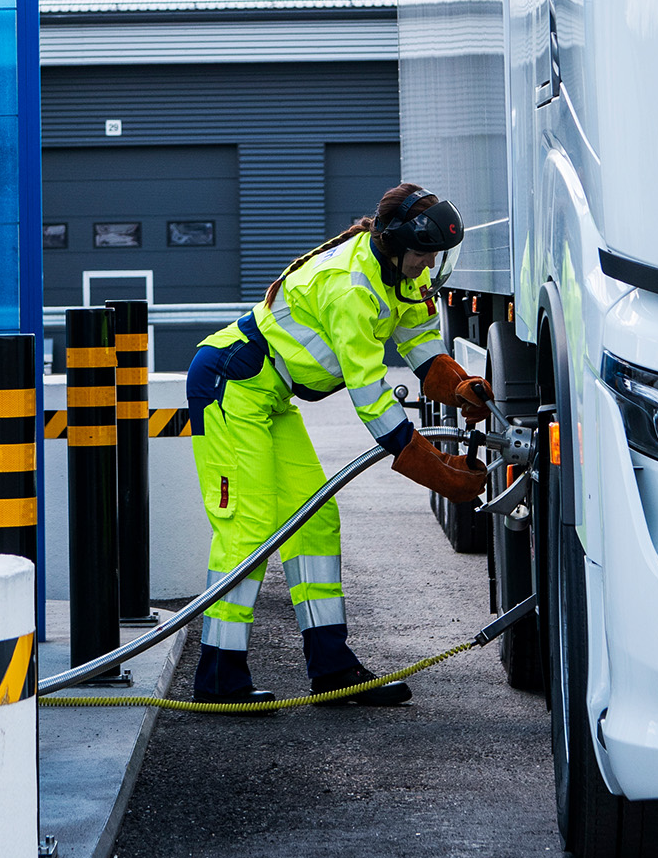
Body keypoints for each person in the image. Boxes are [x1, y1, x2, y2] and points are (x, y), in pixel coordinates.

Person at [185, 184, 493, 708]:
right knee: (249, 528)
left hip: (268, 394)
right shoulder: (350, 289)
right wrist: (437, 470)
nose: (428, 266)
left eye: (435, 257)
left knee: (315, 519)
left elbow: (421, 345)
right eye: (423, 255)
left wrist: (459, 384)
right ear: (397, 245)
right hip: (230, 384)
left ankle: (332, 671)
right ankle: (218, 677)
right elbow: (371, 394)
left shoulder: (401, 278)